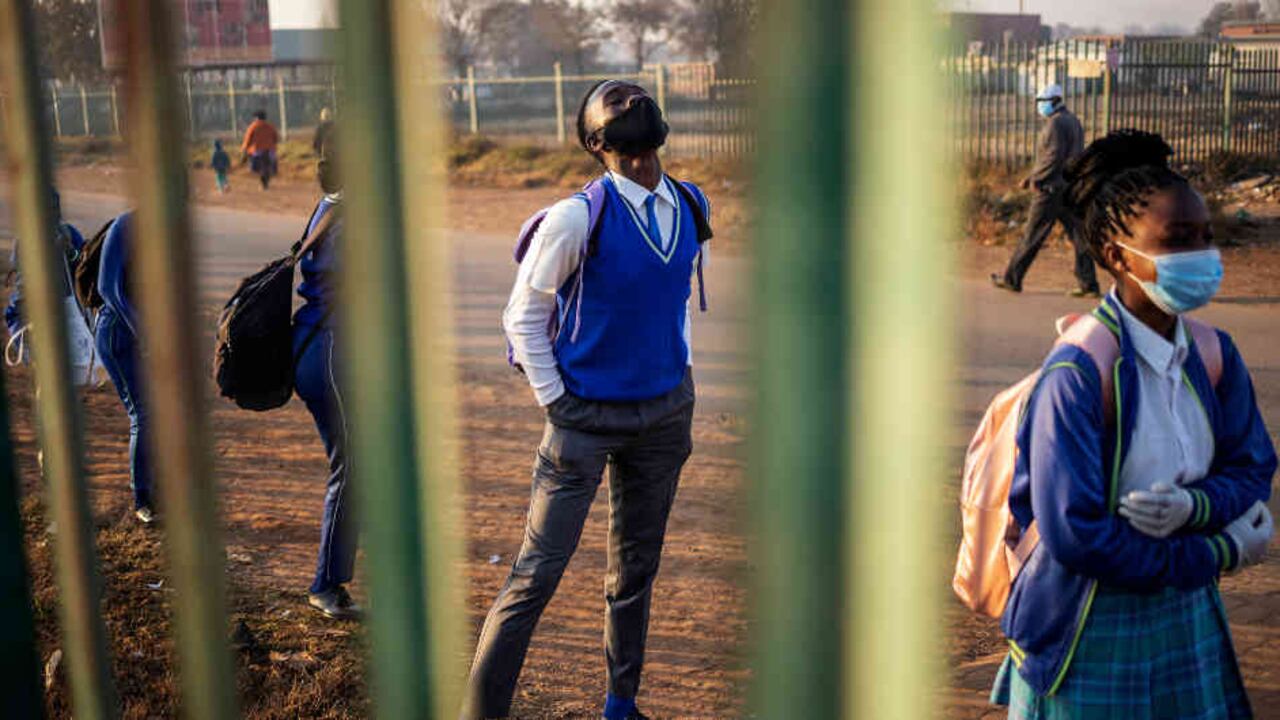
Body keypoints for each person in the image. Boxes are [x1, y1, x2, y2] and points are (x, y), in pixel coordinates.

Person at [991, 130, 1276, 718]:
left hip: (1186, 612)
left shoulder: (1213, 354)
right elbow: (1076, 535)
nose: (1201, 255)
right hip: (1088, 621)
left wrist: (1194, 509)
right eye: (1177, 242)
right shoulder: (1076, 373)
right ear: (1118, 255)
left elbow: (1253, 465)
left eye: (1205, 238)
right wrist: (1217, 550)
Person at [463, 80, 710, 720]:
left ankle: (619, 706)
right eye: (618, 109)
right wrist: (559, 403)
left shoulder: (690, 203)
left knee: (634, 573)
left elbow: (674, 301)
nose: (633, 109)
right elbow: (523, 316)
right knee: (535, 575)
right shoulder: (578, 216)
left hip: (662, 416)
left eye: (639, 104)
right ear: (596, 143)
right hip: (583, 420)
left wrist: (680, 376)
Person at [292, 136, 358, 620]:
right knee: (350, 466)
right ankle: (324, 584)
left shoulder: (331, 205)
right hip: (331, 352)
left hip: (317, 345)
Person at [992, 84, 1099, 297]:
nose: (1040, 106)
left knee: (1032, 235)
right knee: (1079, 237)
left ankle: (1012, 279)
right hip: (1069, 189)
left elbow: (1053, 157)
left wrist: (1033, 178)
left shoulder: (1056, 123)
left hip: (1050, 190)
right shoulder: (1073, 121)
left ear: (1056, 101)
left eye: (1043, 102)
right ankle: (1089, 285)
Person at [93, 212, 157, 524]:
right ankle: (143, 501)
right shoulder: (126, 226)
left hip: (147, 336)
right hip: (118, 335)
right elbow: (110, 290)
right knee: (143, 414)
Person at [241, 110, 279, 190]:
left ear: (256, 118)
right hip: (270, 150)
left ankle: (263, 181)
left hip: (257, 151)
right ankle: (268, 178)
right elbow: (276, 138)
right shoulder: (270, 126)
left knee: (256, 167)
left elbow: (247, 139)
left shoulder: (253, 126)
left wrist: (244, 150)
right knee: (270, 165)